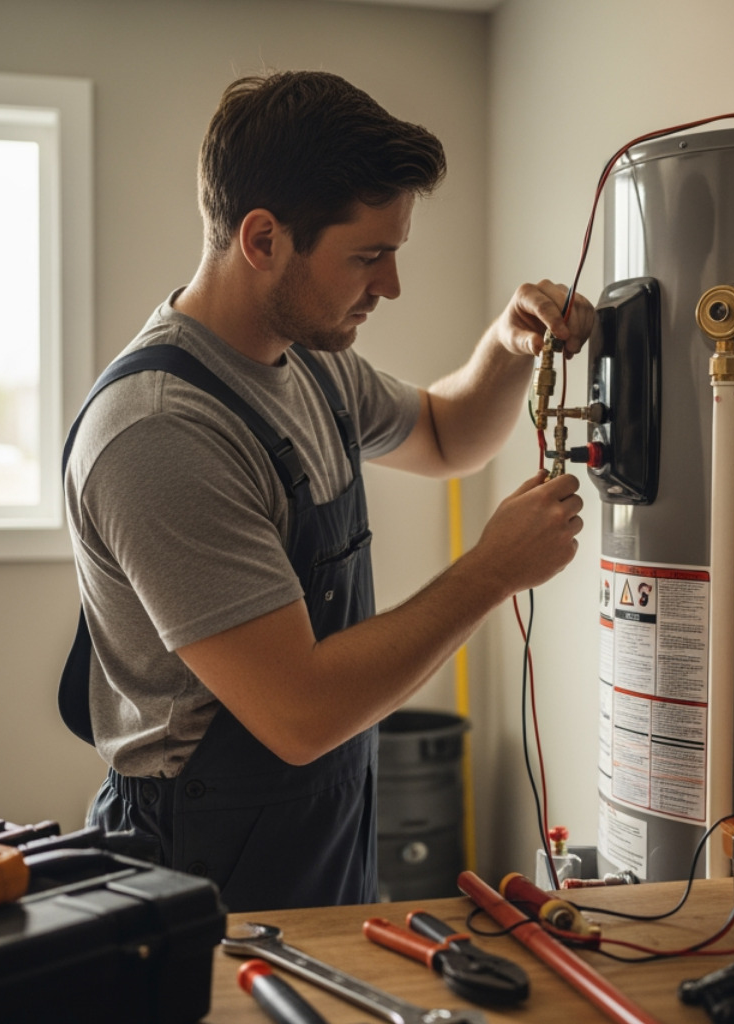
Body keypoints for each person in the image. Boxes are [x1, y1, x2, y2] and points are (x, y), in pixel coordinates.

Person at [60, 70, 593, 912]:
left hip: (323, 823)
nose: (390, 286)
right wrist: (492, 572)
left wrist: (507, 344)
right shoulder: (162, 433)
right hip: (202, 868)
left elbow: (449, 435)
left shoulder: (309, 362)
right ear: (263, 239)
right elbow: (300, 713)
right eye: (368, 255)